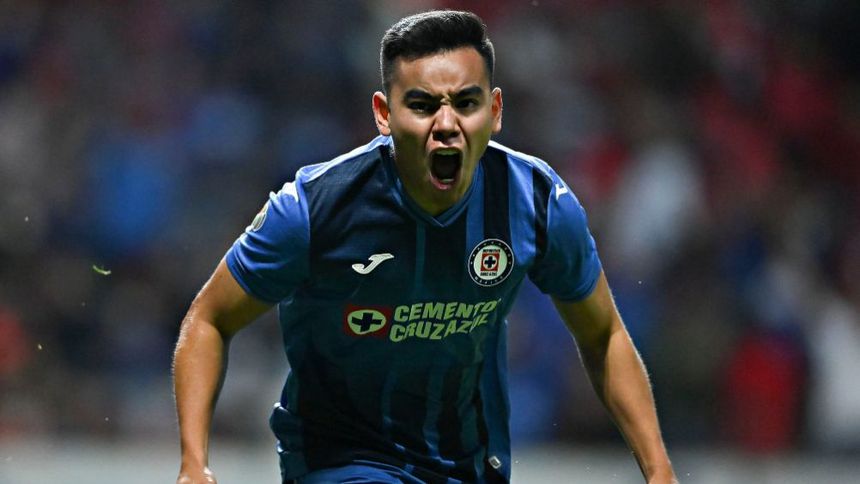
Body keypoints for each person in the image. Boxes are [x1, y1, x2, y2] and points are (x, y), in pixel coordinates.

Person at [173, 10, 677, 484]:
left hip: (469, 464)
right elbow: (209, 319)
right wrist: (195, 463)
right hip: (340, 459)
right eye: (422, 105)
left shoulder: (537, 202)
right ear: (383, 114)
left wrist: (658, 471)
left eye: (466, 103)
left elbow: (604, 334)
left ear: (495, 111)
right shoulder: (314, 208)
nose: (446, 124)